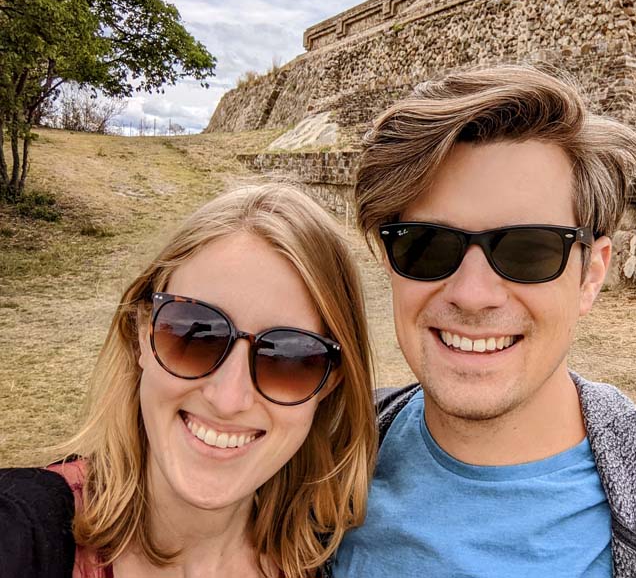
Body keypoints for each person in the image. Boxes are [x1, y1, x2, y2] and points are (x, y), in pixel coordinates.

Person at [334, 66, 636, 577]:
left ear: (591, 275)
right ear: (389, 262)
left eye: (528, 250)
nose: (472, 295)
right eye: (425, 246)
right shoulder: (318, 462)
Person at [0, 184, 376, 578]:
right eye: (195, 334)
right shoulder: (25, 531)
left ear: (330, 383)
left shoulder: (326, 558)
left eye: (290, 357)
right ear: (142, 333)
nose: (228, 398)